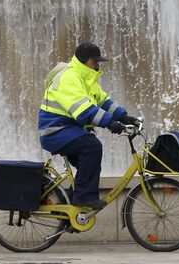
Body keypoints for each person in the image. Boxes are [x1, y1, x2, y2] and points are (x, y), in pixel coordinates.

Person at [38, 43, 139, 210]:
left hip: (67, 129)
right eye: (95, 61)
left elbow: (103, 101)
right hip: (55, 131)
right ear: (84, 61)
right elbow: (84, 110)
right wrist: (110, 123)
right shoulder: (69, 77)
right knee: (92, 147)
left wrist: (124, 117)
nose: (98, 65)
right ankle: (83, 199)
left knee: (89, 163)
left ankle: (71, 207)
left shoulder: (86, 78)